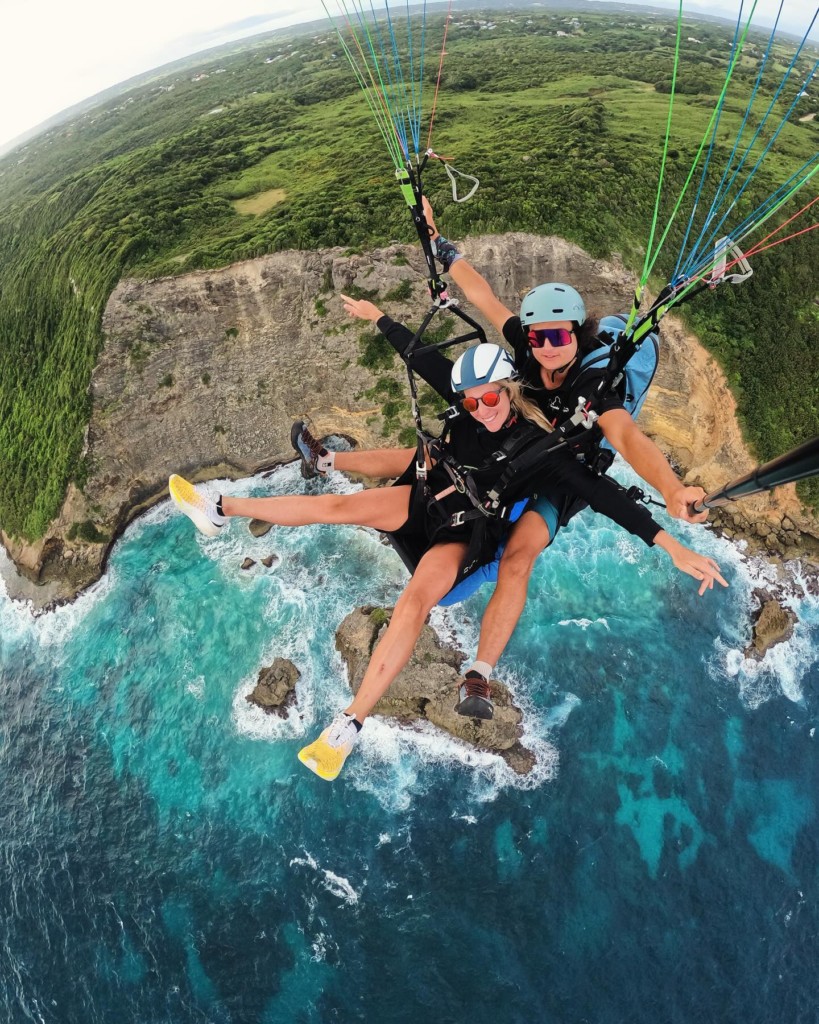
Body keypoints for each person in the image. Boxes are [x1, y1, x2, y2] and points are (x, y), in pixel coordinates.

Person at [169, 312, 727, 781]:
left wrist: (666, 542)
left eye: (490, 399)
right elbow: (423, 357)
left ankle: (348, 726)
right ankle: (220, 509)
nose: (481, 408)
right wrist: (378, 317)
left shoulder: (539, 448)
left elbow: (602, 493)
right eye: (471, 400)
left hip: (463, 530)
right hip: (429, 495)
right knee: (338, 507)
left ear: (508, 393)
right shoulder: (463, 408)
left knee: (414, 602)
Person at [292, 199, 714, 717]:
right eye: (539, 337)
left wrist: (672, 492)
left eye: (560, 336)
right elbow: (483, 296)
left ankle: (479, 675)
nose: (547, 346)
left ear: (578, 335)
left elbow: (625, 437)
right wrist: (442, 247)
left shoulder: (593, 385)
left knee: (518, 557)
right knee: (425, 456)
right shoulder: (528, 352)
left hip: (562, 472)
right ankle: (327, 463)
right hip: (515, 446)